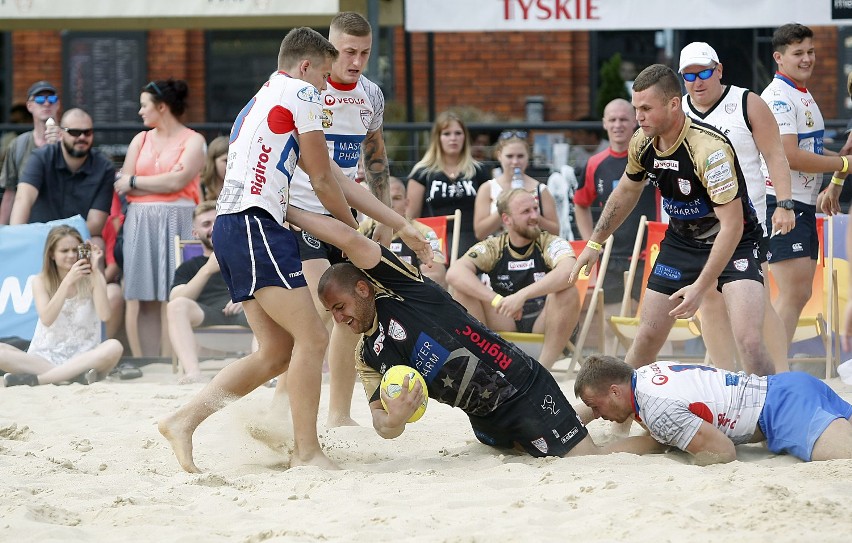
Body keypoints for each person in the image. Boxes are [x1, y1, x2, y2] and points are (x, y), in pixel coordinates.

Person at [157, 27, 431, 473]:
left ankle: (183, 420)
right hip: (255, 224)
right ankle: (307, 452)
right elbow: (325, 182)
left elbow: (335, 178)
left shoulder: (266, 95)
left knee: (275, 351)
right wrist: (351, 231)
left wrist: (391, 222)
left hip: (240, 226)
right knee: (313, 337)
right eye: (324, 74)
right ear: (305, 66)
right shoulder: (302, 94)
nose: (327, 86)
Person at [288, 205, 657, 459]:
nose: (338, 319)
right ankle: (579, 415)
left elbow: (349, 240)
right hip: (484, 422)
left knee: (585, 457)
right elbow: (382, 426)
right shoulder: (367, 355)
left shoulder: (405, 289)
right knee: (537, 448)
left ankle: (665, 445)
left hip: (521, 388)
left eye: (340, 307)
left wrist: (287, 211)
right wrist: (396, 417)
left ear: (363, 289)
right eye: (331, 313)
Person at [571, 64, 775, 377]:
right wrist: (595, 243)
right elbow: (626, 190)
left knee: (749, 341)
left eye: (646, 109)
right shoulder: (642, 141)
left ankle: (774, 414)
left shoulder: (709, 150)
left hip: (735, 242)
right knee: (647, 336)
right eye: (636, 108)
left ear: (673, 104)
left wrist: (700, 287)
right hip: (681, 242)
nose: (638, 117)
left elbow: (732, 226)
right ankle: (619, 419)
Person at [284, 11, 394, 428]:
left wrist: (383, 217)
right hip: (301, 214)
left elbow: (377, 157)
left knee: (349, 312)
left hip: (344, 216)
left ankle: (338, 414)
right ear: (331, 47)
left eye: (364, 52)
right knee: (316, 316)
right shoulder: (307, 88)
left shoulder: (371, 95)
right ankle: (285, 405)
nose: (356, 61)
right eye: (349, 51)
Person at [679, 42, 795, 373]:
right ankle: (725, 378)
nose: (697, 81)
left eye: (703, 72)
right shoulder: (678, 111)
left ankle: (782, 375)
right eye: (689, 75)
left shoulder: (746, 102)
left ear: (718, 70)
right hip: (698, 224)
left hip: (747, 219)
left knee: (756, 300)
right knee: (709, 300)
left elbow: (775, 155)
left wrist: (784, 203)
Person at [575, 354, 852, 464]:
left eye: (595, 407)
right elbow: (658, 441)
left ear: (614, 391)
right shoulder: (646, 375)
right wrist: (596, 451)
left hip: (782, 411)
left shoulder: (657, 408)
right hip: (788, 385)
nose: (597, 415)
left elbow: (724, 452)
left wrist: (693, 460)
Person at [760, 24, 852, 349]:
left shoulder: (800, 91)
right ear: (779, 58)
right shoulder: (779, 96)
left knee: (799, 293)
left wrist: (838, 159)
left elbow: (809, 151)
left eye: (810, 51)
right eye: (798, 53)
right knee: (792, 293)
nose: (807, 59)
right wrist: (842, 165)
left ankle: (771, 367)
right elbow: (789, 156)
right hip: (781, 202)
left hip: (801, 202)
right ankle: (770, 371)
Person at [113, 78, 205, 358]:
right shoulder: (139, 139)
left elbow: (178, 181)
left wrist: (136, 182)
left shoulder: (194, 140)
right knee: (141, 295)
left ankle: (171, 359)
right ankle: (146, 361)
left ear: (162, 107)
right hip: (140, 221)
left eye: (144, 105)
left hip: (180, 219)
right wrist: (141, 182)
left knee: (174, 292)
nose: (140, 112)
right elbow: (121, 183)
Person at [448, 188, 580, 369]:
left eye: (535, 209)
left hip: (543, 324)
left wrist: (521, 296)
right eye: (526, 211)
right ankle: (484, 367)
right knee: (461, 290)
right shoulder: (494, 246)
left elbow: (570, 271)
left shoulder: (550, 242)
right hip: (504, 322)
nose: (535, 216)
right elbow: (454, 273)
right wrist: (497, 300)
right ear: (506, 219)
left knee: (568, 291)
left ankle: (543, 371)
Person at [1, 225, 123, 386]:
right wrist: (66, 282)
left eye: (75, 250)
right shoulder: (40, 280)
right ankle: (70, 376)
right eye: (64, 251)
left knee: (114, 346)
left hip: (85, 357)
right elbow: (47, 319)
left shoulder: (94, 277)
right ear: (51, 254)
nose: (71, 255)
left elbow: (105, 315)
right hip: (44, 357)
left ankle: (40, 379)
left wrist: (95, 272)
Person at [574, 98, 658, 325]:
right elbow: (580, 204)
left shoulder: (652, 157)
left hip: (649, 254)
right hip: (611, 255)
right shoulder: (595, 163)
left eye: (623, 119)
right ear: (604, 124)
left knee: (651, 324)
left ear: (635, 122)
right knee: (612, 323)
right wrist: (590, 241)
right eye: (612, 120)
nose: (618, 125)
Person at [167, 201, 250, 383]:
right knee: (177, 306)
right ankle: (193, 373)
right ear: (195, 233)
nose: (214, 228)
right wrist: (207, 269)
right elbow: (175, 299)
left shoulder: (246, 256)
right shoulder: (191, 266)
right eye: (206, 224)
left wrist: (244, 298)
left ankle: (266, 374)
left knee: (261, 303)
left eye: (218, 222)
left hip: (245, 311)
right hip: (208, 313)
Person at [9, 108, 114, 244]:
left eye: (87, 132)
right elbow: (23, 199)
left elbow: (96, 224)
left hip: (78, 239)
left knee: (97, 243)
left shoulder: (104, 167)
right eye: (75, 132)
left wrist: (62, 240)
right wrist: (16, 237)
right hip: (40, 237)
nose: (82, 137)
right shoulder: (41, 157)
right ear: (60, 133)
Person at [406, 111, 491, 256]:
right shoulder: (422, 172)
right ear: (437, 138)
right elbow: (411, 217)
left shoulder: (479, 171)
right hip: (433, 240)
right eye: (447, 134)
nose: (453, 138)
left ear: (465, 137)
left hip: (472, 239)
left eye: (458, 133)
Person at [359, 176, 448, 287]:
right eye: (385, 198)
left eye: (396, 198)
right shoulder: (362, 229)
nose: (390, 204)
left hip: (410, 292)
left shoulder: (424, 231)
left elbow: (435, 273)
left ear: (406, 204)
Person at [473, 130, 560, 240]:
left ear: (528, 157)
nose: (515, 161)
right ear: (499, 156)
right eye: (509, 156)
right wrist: (506, 207)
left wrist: (532, 214)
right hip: (497, 253)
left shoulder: (540, 189)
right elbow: (480, 233)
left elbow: (555, 231)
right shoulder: (488, 188)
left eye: (520, 156)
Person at [0, 81, 61, 224]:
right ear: (29, 106)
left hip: (61, 228)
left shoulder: (69, 141)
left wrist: (60, 146)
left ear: (57, 105)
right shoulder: (18, 145)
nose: (46, 103)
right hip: (27, 226)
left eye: (51, 99)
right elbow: (10, 193)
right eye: (40, 99)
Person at [199, 135, 228, 201]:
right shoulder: (201, 187)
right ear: (213, 161)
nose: (230, 166)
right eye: (226, 161)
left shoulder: (241, 188)